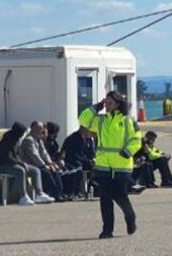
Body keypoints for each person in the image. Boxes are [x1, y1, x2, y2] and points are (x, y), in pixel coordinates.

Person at [79, 91, 142, 239]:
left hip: (122, 165)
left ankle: (130, 216)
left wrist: (128, 151)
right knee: (105, 198)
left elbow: (136, 139)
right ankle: (107, 230)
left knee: (120, 195)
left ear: (118, 104)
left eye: (110, 103)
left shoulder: (128, 120)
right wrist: (97, 107)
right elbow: (83, 119)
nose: (107, 105)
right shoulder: (100, 120)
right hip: (103, 166)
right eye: (106, 103)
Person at [0, 122, 50, 205]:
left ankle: (39, 194)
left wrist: (21, 162)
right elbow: (7, 157)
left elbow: (17, 156)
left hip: (12, 165)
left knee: (35, 170)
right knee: (20, 171)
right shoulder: (7, 140)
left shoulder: (16, 141)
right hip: (1, 166)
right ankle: (23, 197)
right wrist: (21, 163)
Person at [19, 121, 68, 201]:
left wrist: (51, 164)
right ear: (35, 129)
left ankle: (60, 193)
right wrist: (44, 165)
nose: (42, 130)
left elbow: (44, 154)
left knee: (54, 171)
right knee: (46, 173)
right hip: (31, 165)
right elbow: (34, 156)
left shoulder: (39, 140)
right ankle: (54, 194)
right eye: (40, 128)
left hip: (39, 164)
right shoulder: (29, 140)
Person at [61, 127, 96, 197]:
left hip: (86, 161)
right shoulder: (72, 139)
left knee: (101, 167)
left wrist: (93, 160)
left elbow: (92, 153)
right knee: (78, 167)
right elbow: (74, 155)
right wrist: (89, 161)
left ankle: (95, 186)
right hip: (73, 161)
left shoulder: (90, 140)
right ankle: (77, 191)